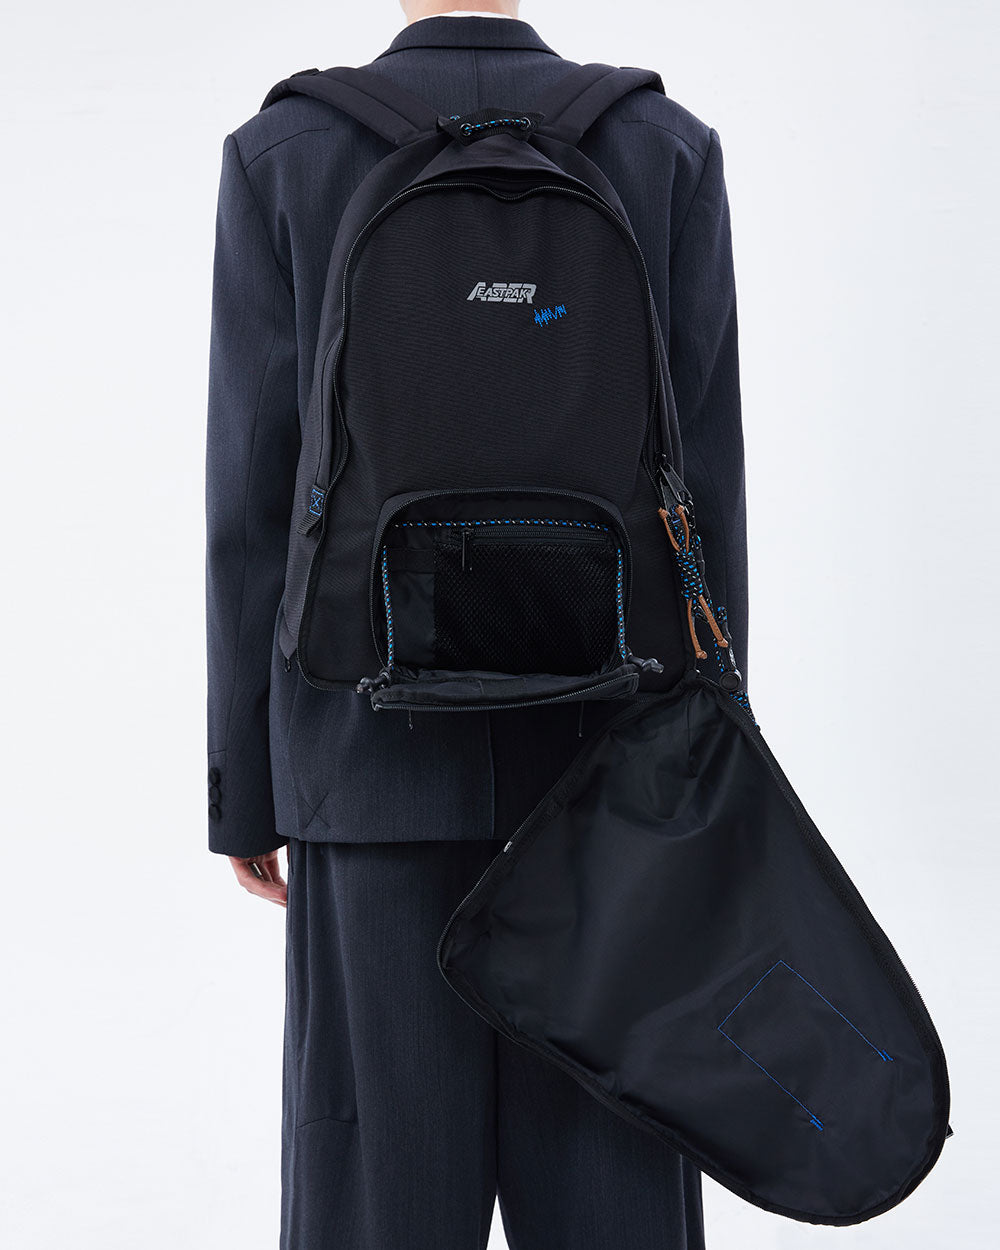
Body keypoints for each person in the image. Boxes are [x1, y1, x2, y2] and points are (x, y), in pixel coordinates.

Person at [205, 2, 748, 1245]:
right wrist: (713, 762)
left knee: (375, 1200)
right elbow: (704, 489)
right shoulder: (663, 148)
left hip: (363, 754)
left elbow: (252, 491)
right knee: (616, 1201)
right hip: (615, 771)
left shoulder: (284, 154)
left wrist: (248, 783)